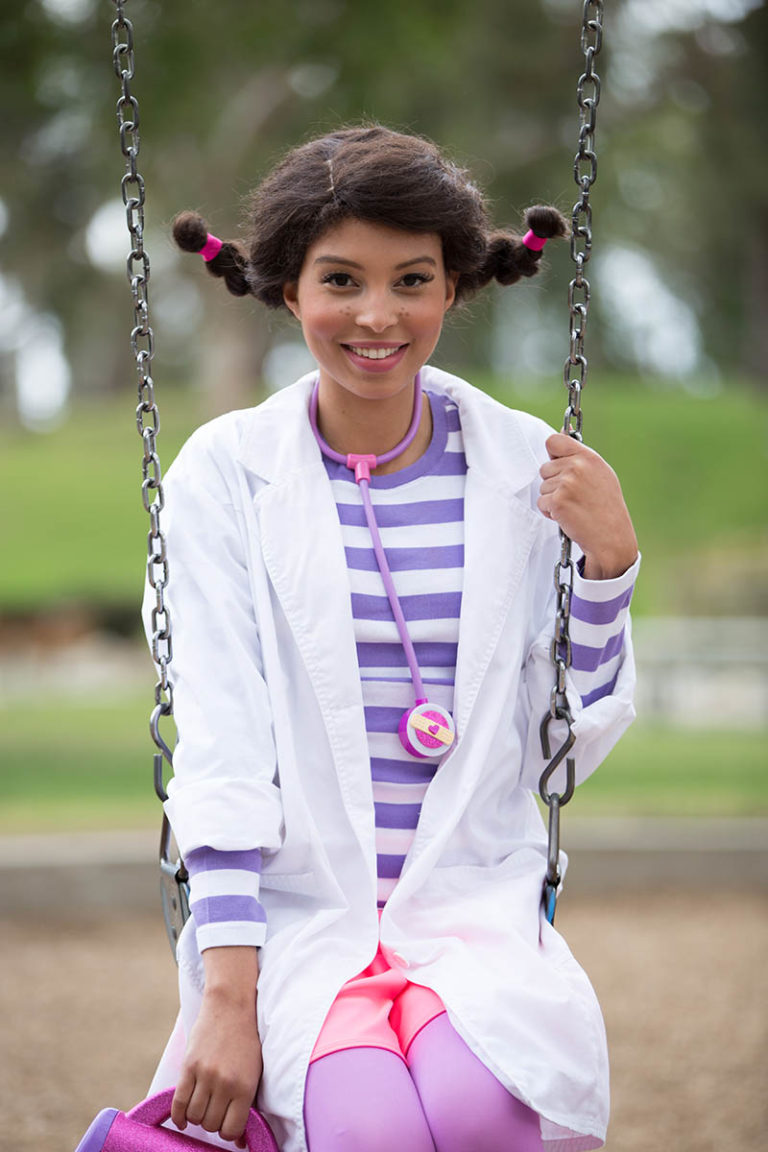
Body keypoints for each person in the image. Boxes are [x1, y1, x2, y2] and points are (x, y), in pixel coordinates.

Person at [144, 124, 639, 1152]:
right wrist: (226, 1000)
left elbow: (563, 746)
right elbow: (222, 747)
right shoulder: (225, 474)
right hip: (302, 914)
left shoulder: (527, 469)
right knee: (370, 1129)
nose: (377, 315)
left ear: (454, 286)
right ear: (287, 290)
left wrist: (608, 570)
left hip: (469, 904)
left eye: (412, 280)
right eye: (341, 280)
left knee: (482, 1111)